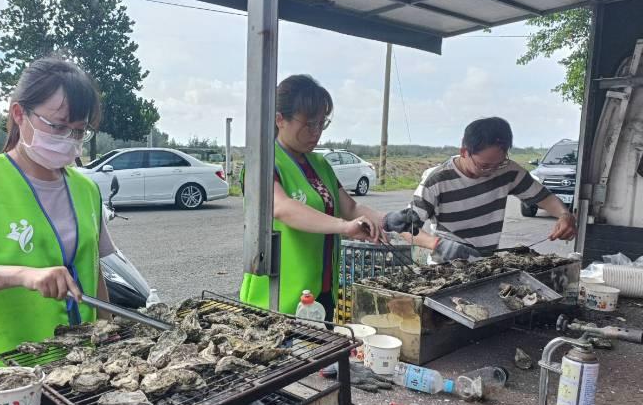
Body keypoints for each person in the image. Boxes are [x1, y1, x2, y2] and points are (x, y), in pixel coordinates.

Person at [0, 56, 116, 393]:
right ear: (19, 114)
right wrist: (24, 275)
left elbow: (93, 268)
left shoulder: (86, 189)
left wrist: (108, 333)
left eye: (79, 130)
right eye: (57, 125)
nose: (68, 138)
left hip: (73, 369)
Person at [239, 74, 416, 320]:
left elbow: (350, 208)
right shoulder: (263, 163)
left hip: (320, 292)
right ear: (280, 119)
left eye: (321, 124)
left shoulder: (320, 164)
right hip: (276, 294)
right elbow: (282, 208)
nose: (316, 133)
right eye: (308, 124)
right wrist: (344, 227)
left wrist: (387, 220)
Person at [404, 117, 577, 262]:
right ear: (464, 152)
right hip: (445, 267)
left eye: (498, 163)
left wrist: (564, 215)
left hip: (486, 264)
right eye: (484, 165)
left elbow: (543, 197)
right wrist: (436, 244)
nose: (491, 171)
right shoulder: (437, 180)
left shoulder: (508, 171)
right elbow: (405, 228)